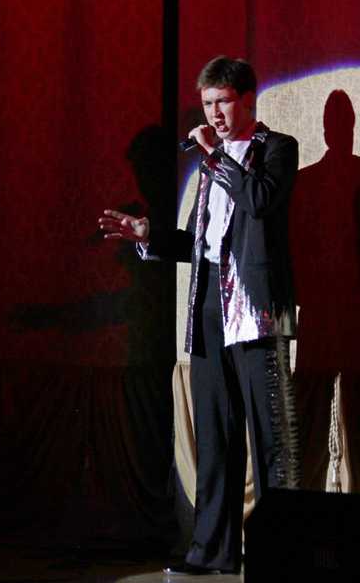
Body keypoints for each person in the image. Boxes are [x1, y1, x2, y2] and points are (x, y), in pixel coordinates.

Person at [99, 55, 299, 576]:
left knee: (272, 441)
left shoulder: (277, 149)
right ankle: (212, 551)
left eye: (223, 102)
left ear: (247, 100)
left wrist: (215, 157)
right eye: (207, 103)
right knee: (215, 435)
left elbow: (259, 200)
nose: (214, 114)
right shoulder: (213, 170)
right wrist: (150, 236)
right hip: (210, 309)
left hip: (259, 313)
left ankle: (280, 556)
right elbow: (198, 243)